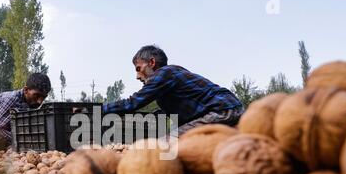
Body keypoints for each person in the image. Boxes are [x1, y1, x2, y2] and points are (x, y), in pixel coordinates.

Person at [102, 45, 243, 136]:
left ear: (151, 63)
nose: (137, 76)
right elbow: (181, 106)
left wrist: (99, 110)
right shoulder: (170, 76)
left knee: (168, 143)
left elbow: (132, 103)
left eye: (139, 69)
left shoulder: (164, 74)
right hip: (227, 108)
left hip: (222, 110)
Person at [0, 73, 51, 150]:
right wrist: (24, 140)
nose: (40, 101)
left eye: (43, 97)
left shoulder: (29, 104)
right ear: (26, 90)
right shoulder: (11, 99)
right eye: (36, 95)